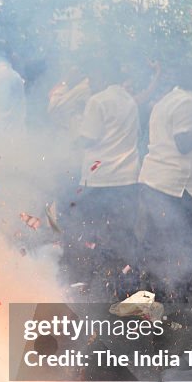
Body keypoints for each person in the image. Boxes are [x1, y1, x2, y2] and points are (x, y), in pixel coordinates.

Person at [136, 66, 192, 302]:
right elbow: (184, 142)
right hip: (179, 189)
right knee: (181, 247)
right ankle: (172, 303)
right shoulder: (190, 102)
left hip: (160, 183)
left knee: (156, 246)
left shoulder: (168, 99)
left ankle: (153, 299)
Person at [70, 60, 141, 299]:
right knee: (121, 233)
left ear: (100, 74)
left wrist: (71, 141)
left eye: (91, 78)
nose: (90, 83)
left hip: (99, 180)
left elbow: (89, 138)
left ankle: (90, 285)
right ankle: (123, 287)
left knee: (90, 233)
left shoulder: (97, 101)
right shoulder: (129, 100)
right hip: (127, 178)